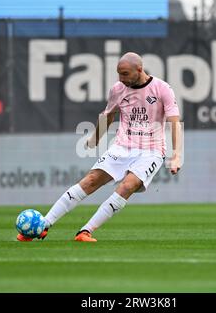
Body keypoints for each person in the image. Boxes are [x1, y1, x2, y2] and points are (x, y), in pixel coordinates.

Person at [17, 52, 182, 242]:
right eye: (119, 74)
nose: (121, 78)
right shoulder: (118, 89)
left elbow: (174, 122)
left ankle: (85, 231)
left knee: (128, 185)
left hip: (151, 151)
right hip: (122, 146)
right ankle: (43, 225)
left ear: (139, 69)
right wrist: (95, 138)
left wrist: (176, 155)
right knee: (91, 180)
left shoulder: (162, 89)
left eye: (125, 73)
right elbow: (108, 115)